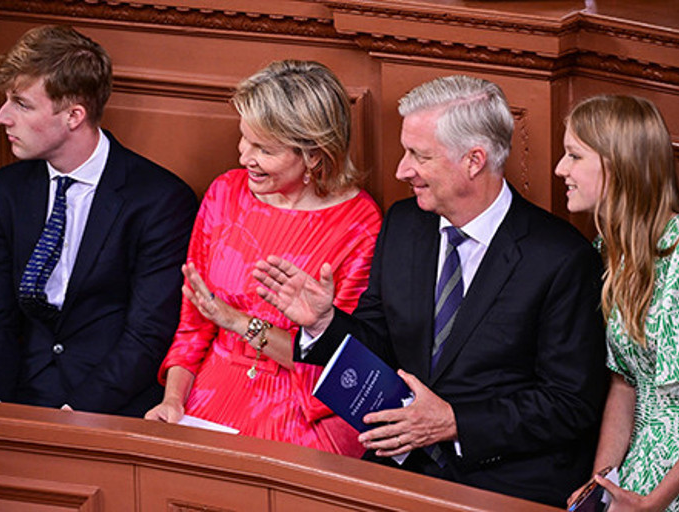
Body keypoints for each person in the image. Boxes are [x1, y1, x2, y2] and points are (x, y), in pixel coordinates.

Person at [254, 75, 608, 507]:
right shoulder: (404, 225)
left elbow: (569, 404)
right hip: (402, 465)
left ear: (474, 160)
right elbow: (380, 342)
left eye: (419, 156)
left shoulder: (562, 258)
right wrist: (325, 323)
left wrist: (455, 422)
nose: (401, 170)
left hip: (504, 480)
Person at [145, 60, 382, 457]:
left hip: (304, 411)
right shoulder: (226, 192)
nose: (244, 157)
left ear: (314, 155)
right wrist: (173, 401)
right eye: (244, 139)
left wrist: (238, 322)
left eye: (264, 149)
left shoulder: (358, 225)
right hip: (209, 394)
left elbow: (334, 362)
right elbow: (193, 325)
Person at [0, 25, 198, 417]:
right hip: (19, 392)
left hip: (108, 403)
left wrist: (75, 416)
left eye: (21, 104)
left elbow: (146, 335)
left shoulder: (160, 199)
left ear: (74, 115)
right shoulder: (7, 189)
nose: (1, 117)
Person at [557, 95, 679, 511]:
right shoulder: (607, 253)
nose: (560, 169)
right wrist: (599, 486)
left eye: (574, 156)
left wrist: (656, 500)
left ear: (618, 165)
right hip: (643, 461)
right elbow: (624, 385)